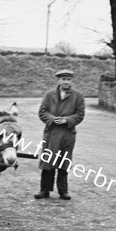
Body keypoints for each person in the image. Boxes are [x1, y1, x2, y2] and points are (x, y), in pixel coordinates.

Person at [34, 69, 85, 200]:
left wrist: (67, 120)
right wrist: (52, 119)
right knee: (48, 161)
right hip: (51, 133)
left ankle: (63, 191)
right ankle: (44, 190)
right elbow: (42, 112)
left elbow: (80, 114)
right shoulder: (49, 95)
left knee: (64, 163)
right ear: (58, 80)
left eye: (68, 79)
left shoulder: (78, 96)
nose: (66, 82)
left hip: (67, 134)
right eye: (63, 79)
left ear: (71, 81)